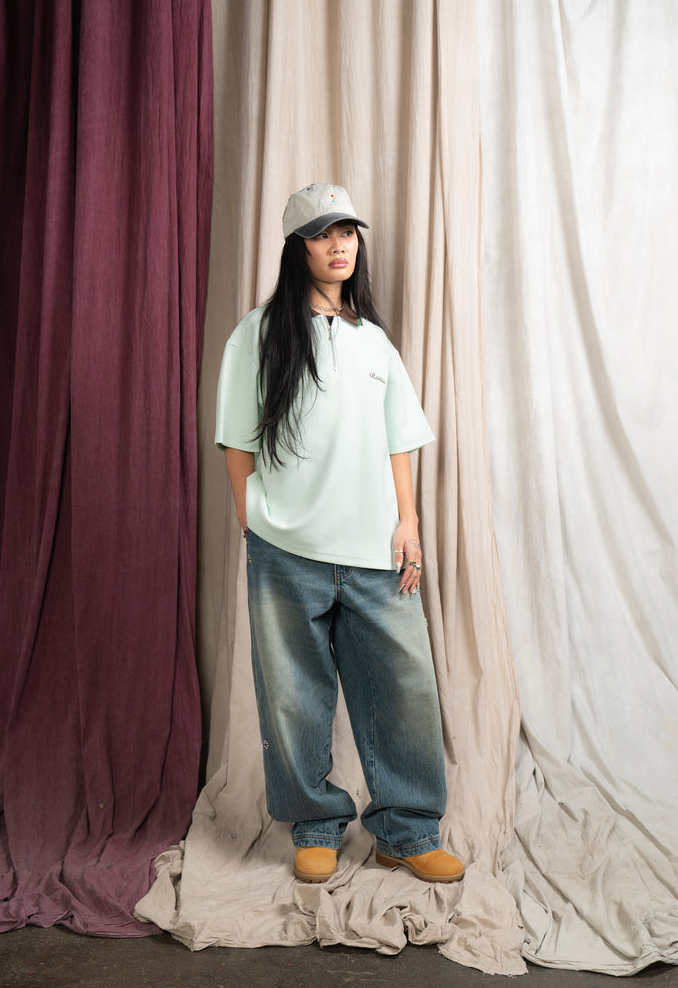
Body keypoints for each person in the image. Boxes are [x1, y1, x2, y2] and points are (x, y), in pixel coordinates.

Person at [215, 183, 464, 885]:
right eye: (323, 234)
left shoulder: (372, 340)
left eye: (347, 232)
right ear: (297, 248)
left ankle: (407, 832)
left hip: (376, 550)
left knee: (404, 691)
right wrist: (253, 519)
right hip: (286, 549)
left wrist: (409, 522)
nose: (339, 246)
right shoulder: (257, 334)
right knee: (293, 695)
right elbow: (236, 440)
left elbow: (398, 439)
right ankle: (316, 825)